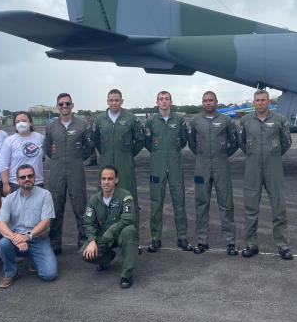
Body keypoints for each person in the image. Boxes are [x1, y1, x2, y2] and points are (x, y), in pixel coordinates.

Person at [240, 90, 293, 260]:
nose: (260, 103)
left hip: (274, 168)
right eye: (257, 100)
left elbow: (286, 142)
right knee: (250, 209)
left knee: (279, 208)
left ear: (269, 101)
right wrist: (254, 154)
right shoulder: (246, 120)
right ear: (253, 102)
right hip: (252, 168)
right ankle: (251, 244)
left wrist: (273, 155)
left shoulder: (279, 119)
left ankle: (283, 245)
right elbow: (242, 143)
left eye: (263, 100)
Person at [188, 91, 239, 255]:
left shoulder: (226, 120)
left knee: (226, 203)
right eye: (205, 100)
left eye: (211, 100)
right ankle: (202, 241)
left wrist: (223, 155)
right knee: (201, 202)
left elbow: (234, 141)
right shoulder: (195, 121)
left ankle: (230, 242)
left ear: (216, 102)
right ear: (202, 103)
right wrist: (202, 155)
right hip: (200, 166)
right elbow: (191, 143)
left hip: (221, 164)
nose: (208, 103)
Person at [43, 93, 94, 254]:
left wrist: (77, 158)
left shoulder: (82, 125)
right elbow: (48, 149)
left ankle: (83, 239)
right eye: (61, 104)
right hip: (57, 170)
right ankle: (55, 241)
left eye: (67, 104)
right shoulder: (51, 127)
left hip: (76, 169)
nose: (64, 107)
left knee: (80, 205)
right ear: (57, 106)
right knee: (56, 206)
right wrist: (58, 159)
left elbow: (89, 146)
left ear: (72, 105)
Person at [93, 89, 145, 241]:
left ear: (122, 101)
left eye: (117, 100)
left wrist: (128, 154)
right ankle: (105, 239)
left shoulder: (131, 118)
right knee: (104, 200)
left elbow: (140, 139)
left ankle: (133, 239)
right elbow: (97, 141)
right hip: (106, 163)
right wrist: (105, 153)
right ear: (107, 101)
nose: (114, 103)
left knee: (129, 199)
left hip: (125, 164)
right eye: (111, 100)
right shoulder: (99, 119)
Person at [144, 91, 193, 252]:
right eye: (161, 99)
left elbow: (183, 140)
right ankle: (156, 238)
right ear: (157, 102)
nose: (164, 102)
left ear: (171, 102)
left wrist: (172, 153)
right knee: (156, 202)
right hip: (157, 167)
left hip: (175, 165)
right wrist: (159, 154)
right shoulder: (151, 121)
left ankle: (182, 237)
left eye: (167, 99)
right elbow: (148, 142)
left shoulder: (179, 120)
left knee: (179, 201)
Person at [0, 164, 57, 288]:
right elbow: (0, 224)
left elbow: (46, 222)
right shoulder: (9, 199)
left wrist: (27, 237)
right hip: (16, 239)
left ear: (35, 178)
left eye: (30, 176)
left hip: (38, 239)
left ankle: (34, 259)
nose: (26, 179)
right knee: (3, 243)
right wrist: (16, 238)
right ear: (18, 180)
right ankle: (11, 273)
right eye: (23, 177)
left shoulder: (45, 195)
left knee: (49, 275)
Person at [81, 165, 137, 288]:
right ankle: (107, 257)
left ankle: (126, 275)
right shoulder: (94, 200)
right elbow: (89, 223)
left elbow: (128, 219)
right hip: (104, 238)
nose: (106, 182)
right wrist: (91, 240)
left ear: (116, 180)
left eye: (110, 179)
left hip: (120, 234)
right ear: (100, 180)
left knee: (129, 231)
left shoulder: (125, 196)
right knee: (83, 253)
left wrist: (112, 230)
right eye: (103, 179)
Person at [0, 111, 45, 195]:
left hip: (37, 183)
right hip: (16, 184)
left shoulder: (40, 138)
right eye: (18, 122)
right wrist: (5, 184)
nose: (21, 123)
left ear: (30, 123)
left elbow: (43, 158)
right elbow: (3, 164)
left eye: (24, 120)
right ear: (15, 125)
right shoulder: (9, 140)